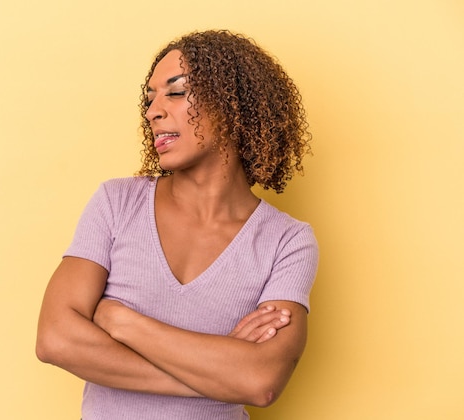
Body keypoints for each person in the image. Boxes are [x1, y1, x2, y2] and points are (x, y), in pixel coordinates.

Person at [36, 29, 318, 420]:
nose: (153, 110)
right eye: (150, 97)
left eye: (176, 91)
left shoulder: (287, 241)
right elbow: (55, 340)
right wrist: (216, 376)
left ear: (233, 104)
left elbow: (261, 380)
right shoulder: (117, 203)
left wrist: (120, 321)